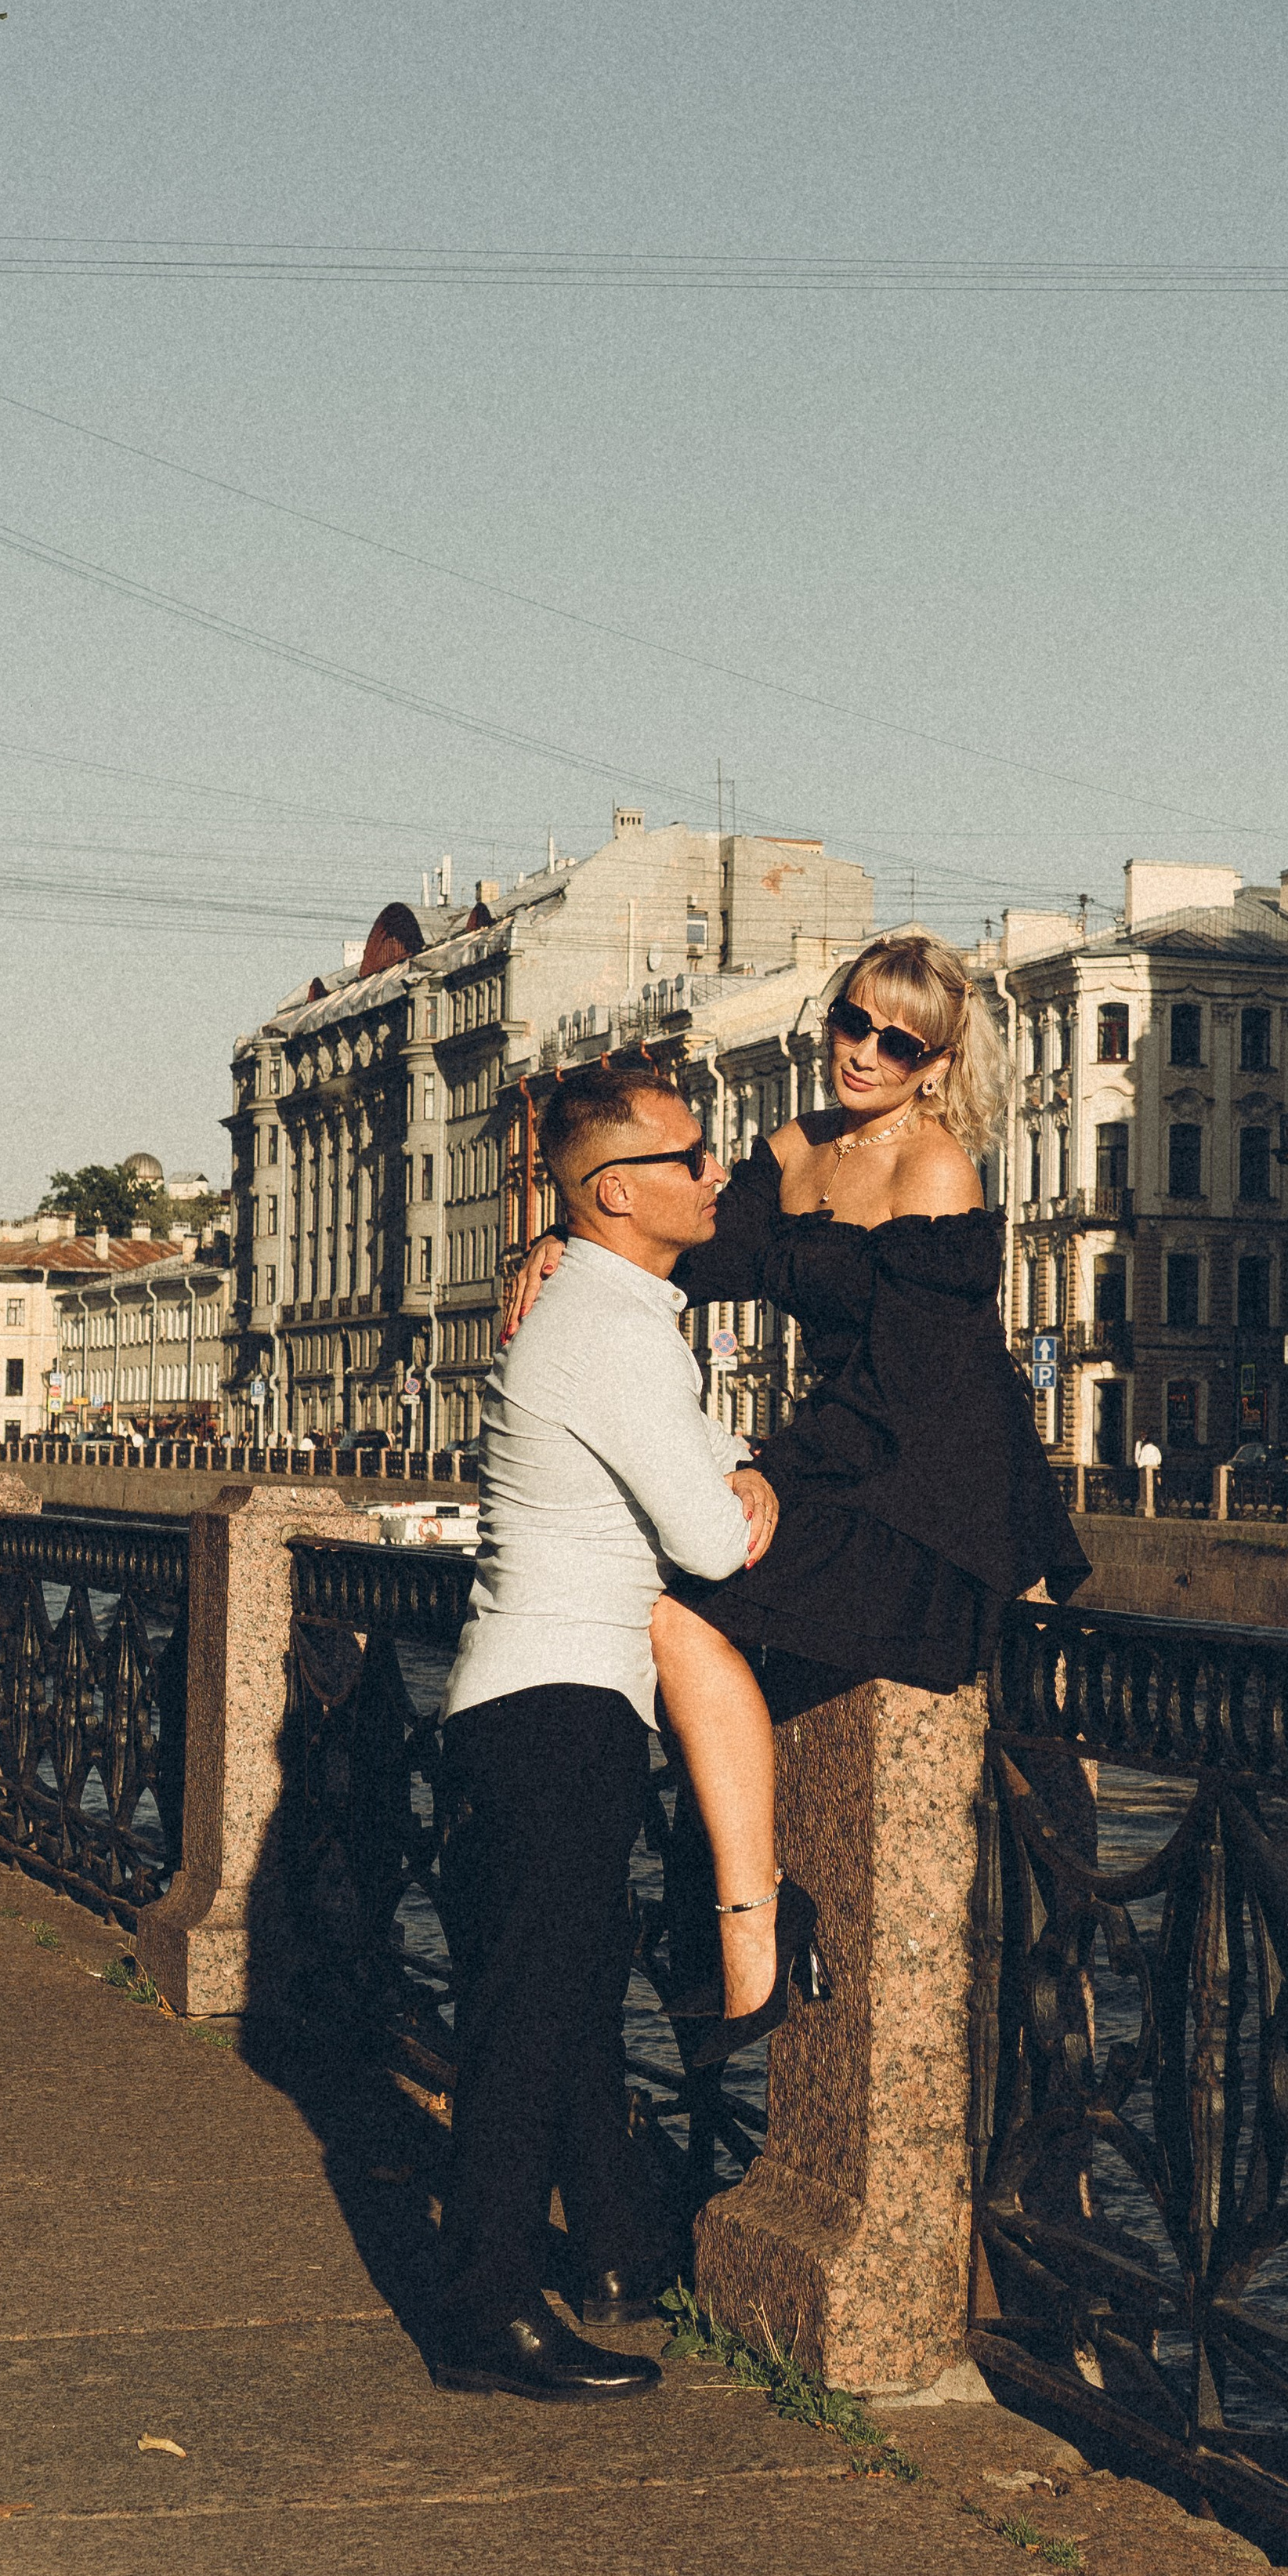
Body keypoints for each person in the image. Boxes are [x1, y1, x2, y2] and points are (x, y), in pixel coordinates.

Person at [505, 931, 1091, 2067]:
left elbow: (909, 1390)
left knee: (694, 1601)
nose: (864, 1052)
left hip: (939, 1494)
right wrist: (563, 1235)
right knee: (683, 1592)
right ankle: (732, 1930)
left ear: (937, 1063)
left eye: (898, 1040)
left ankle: (748, 1935)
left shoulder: (936, 1172)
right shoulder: (799, 1145)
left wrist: (767, 1471)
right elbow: (693, 1246)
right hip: (846, 1458)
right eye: (852, 1022)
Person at [431, 1063, 780, 2401]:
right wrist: (742, 1477)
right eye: (695, 1158)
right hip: (560, 1709)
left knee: (568, 2008)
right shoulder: (610, 1330)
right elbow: (704, 1539)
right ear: (619, 1192)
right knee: (534, 2018)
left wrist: (723, 1454)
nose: (717, 1174)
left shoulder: (603, 1308)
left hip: (533, 1702)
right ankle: (482, 2309)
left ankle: (622, 2248)